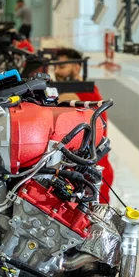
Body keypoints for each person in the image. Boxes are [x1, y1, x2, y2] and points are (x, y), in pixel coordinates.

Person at [51, 47, 114, 204]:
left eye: (62, 67)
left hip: (90, 174)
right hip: (82, 172)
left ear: (77, 67)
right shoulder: (85, 92)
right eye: (55, 67)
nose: (57, 71)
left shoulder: (80, 95)